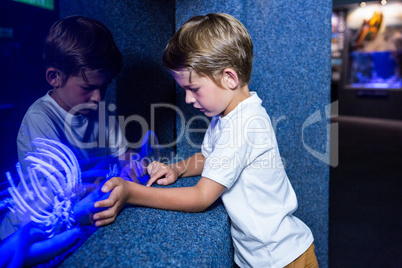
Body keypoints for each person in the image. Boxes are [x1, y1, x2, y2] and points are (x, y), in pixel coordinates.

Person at [93, 13, 318, 268]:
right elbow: (209, 157)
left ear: (229, 78)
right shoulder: (227, 115)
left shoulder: (244, 124)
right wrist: (177, 168)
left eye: (194, 89)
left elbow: (201, 197)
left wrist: (132, 192)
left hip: (283, 259)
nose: (188, 100)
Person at [0, 15, 133, 240]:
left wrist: (131, 170)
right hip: (34, 228)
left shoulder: (102, 110)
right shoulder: (40, 118)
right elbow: (57, 194)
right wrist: (109, 186)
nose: (98, 97)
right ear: (54, 77)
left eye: (105, 86)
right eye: (88, 87)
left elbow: (125, 157)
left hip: (88, 211)